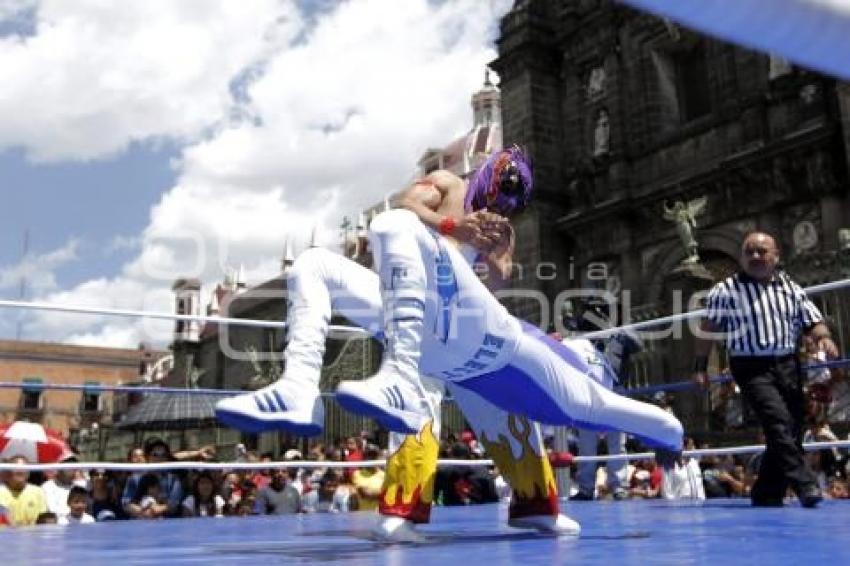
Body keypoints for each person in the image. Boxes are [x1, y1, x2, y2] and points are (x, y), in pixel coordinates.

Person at [216, 147, 682, 538]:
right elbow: (400, 205)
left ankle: (539, 502)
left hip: (467, 326)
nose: (501, 204)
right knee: (317, 264)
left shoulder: (502, 226)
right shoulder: (446, 186)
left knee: (550, 407)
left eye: (511, 200)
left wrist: (498, 266)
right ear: (484, 177)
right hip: (408, 318)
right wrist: (453, 228)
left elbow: (496, 286)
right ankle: (300, 388)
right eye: (499, 191)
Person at [692, 231, 839, 507]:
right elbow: (707, 330)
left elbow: (812, 319)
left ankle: (767, 491)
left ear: (775, 257)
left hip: (787, 363)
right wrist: (700, 367)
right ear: (742, 257)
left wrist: (824, 337)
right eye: (750, 251)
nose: (756, 256)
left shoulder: (790, 287)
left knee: (793, 427)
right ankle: (804, 483)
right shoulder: (725, 290)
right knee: (777, 420)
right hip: (750, 366)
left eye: (762, 251)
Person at [568, 301, 642, 501]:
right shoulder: (585, 337)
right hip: (588, 395)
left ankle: (619, 486)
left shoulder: (621, 333)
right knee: (586, 443)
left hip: (615, 393)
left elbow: (638, 344)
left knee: (616, 443)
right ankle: (585, 488)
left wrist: (616, 326)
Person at [0, 456, 48, 527]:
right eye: (16, 468)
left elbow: (44, 519)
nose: (20, 471)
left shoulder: (38, 492)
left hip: (33, 535)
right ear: (8, 472)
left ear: (28, 473)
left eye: (23, 468)